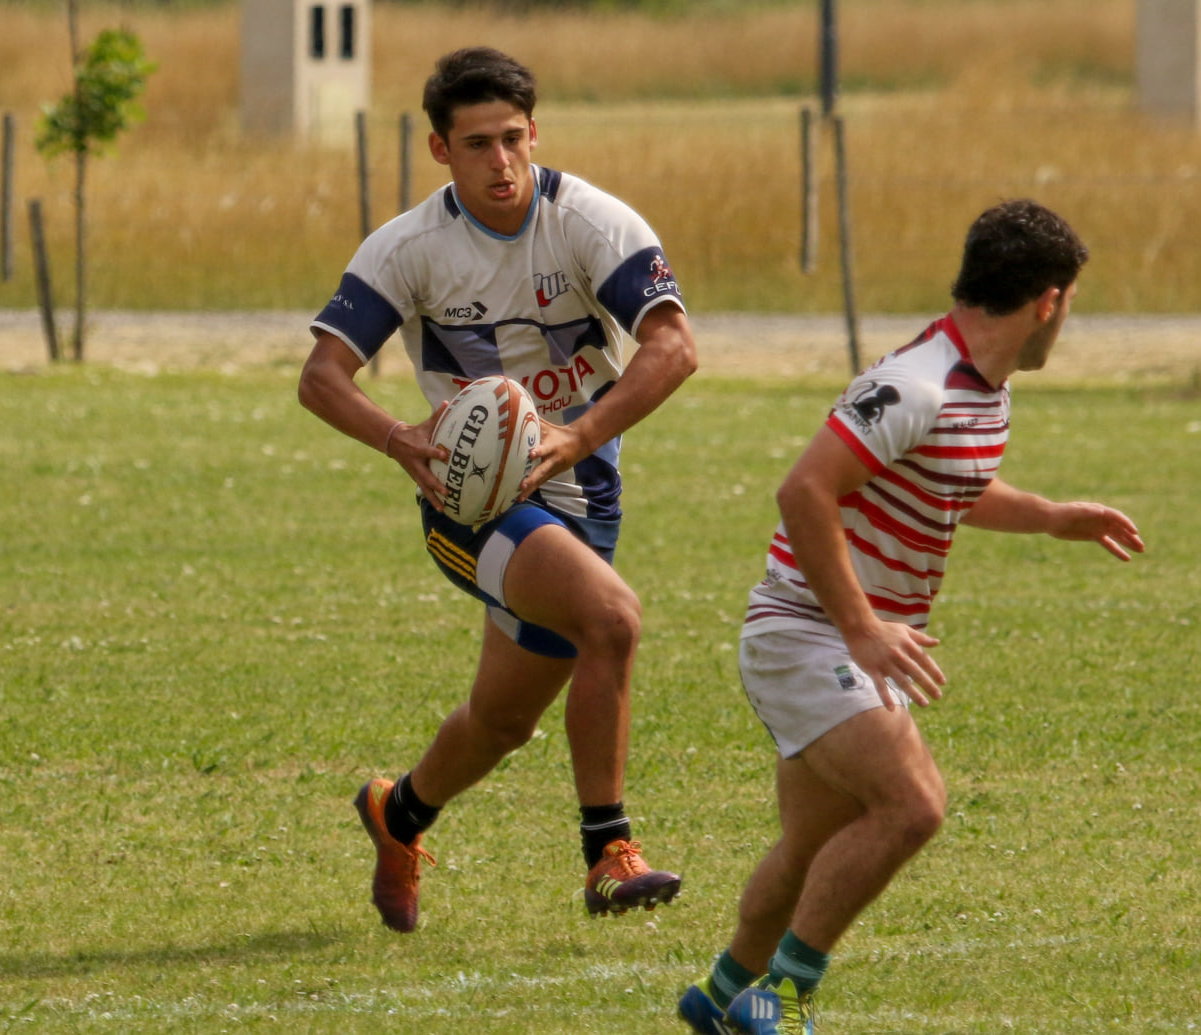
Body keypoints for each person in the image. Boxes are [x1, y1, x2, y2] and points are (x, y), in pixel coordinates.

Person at [676, 199, 1143, 1034]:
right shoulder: (916, 384)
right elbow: (804, 489)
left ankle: (717, 996)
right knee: (913, 804)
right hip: (806, 631)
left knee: (812, 846)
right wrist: (861, 627)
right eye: (1070, 303)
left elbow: (952, 481)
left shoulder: (981, 389)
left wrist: (1050, 516)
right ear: (1048, 301)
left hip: (834, 635)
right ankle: (781, 995)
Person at [299, 46, 697, 932]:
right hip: (471, 504)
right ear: (440, 150)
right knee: (613, 619)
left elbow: (674, 347)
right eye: (477, 144)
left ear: (535, 133)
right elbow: (321, 377)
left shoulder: (590, 222)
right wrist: (400, 438)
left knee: (502, 721)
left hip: (583, 495)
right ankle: (608, 853)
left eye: (513, 138)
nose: (501, 161)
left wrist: (579, 435)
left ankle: (398, 813)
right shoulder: (409, 248)